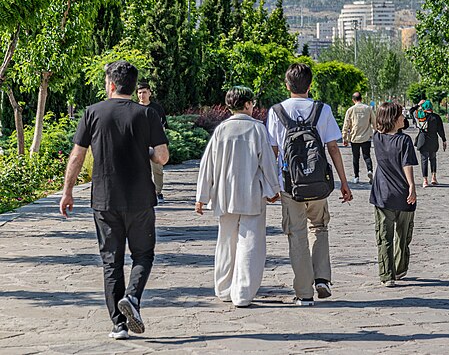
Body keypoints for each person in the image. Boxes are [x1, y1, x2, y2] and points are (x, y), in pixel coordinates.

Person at [59, 60, 169, 340]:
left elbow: (77, 155)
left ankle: (119, 325)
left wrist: (67, 191)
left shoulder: (93, 113)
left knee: (111, 261)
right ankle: (132, 297)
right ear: (134, 86)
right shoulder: (147, 115)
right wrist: (146, 153)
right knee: (143, 254)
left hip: (105, 199)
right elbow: (163, 157)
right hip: (141, 198)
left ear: (110, 84)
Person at [267, 63, 353, 306]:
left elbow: (273, 151)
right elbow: (333, 148)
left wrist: (270, 185)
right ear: (310, 84)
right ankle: (322, 279)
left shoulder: (276, 111)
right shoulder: (322, 110)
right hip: (318, 183)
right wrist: (344, 183)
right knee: (320, 227)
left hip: (289, 184)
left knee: (297, 234)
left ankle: (304, 292)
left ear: (287, 85)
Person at [195, 86, 282, 308]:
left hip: (224, 195)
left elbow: (208, 165)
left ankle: (223, 289)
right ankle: (242, 293)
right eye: (252, 102)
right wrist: (274, 190)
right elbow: (268, 164)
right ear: (246, 104)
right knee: (250, 243)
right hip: (251, 193)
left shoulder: (221, 130)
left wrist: (202, 196)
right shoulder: (257, 130)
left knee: (225, 242)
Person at [369, 102, 418, 287]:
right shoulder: (404, 140)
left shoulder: (377, 138)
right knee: (403, 235)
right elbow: (407, 164)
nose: (404, 118)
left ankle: (387, 275)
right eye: (401, 115)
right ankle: (400, 268)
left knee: (384, 236)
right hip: (403, 194)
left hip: (382, 194)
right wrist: (412, 185)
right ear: (393, 119)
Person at [137, 82, 168, 204]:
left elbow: (163, 127)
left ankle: (158, 191)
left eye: (144, 92)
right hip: (139, 145)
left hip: (155, 145)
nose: (142, 95)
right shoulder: (134, 108)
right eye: (139, 93)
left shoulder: (156, 109)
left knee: (157, 169)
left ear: (150, 93)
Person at [410, 99, 447, 187]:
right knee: (433, 158)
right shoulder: (436, 117)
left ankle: (425, 180)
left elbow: (411, 111)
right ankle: (433, 177)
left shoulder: (419, 115)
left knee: (424, 160)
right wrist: (444, 140)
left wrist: (418, 104)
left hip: (422, 139)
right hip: (433, 139)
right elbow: (440, 130)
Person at [342, 92, 376, 184]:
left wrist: (344, 138)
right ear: (361, 99)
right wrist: (375, 133)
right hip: (366, 137)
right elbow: (374, 122)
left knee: (355, 158)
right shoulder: (368, 109)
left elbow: (346, 125)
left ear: (353, 100)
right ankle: (370, 170)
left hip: (354, 137)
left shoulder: (350, 110)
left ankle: (356, 176)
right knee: (367, 156)